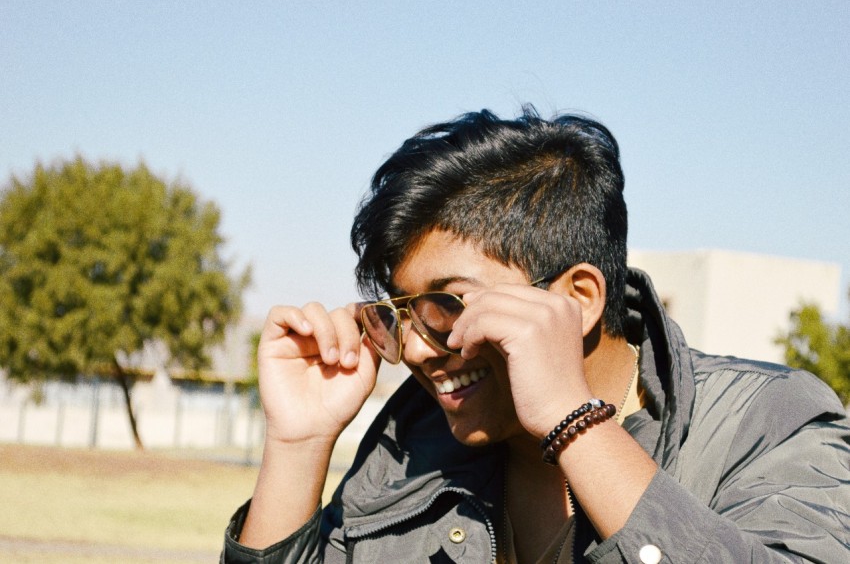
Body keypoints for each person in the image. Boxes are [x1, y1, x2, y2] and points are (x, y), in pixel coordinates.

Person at [222, 107, 850, 563]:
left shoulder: (770, 422)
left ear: (577, 299)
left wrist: (571, 419)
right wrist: (298, 442)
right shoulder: (413, 437)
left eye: (445, 305)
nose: (415, 348)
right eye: (401, 313)